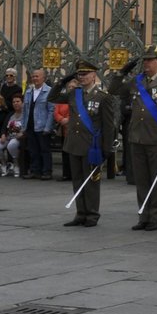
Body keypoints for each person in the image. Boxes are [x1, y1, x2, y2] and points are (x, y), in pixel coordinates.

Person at [108, 46, 157, 232]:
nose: (146, 64)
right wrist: (122, 72)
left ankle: (155, 217)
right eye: (144, 61)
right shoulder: (136, 82)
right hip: (137, 137)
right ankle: (143, 214)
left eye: (150, 60)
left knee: (156, 180)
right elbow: (113, 90)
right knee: (141, 180)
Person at [49, 60, 119, 227]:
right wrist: (63, 81)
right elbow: (52, 97)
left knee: (91, 182)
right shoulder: (75, 94)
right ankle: (80, 213)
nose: (82, 77)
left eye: (85, 74)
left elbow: (109, 125)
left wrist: (107, 148)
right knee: (78, 180)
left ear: (94, 75)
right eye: (79, 74)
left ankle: (92, 214)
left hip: (92, 146)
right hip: (74, 143)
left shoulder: (103, 97)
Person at [21, 68, 56, 180]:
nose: (34, 78)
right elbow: (25, 110)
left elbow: (51, 110)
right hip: (30, 124)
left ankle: (47, 171)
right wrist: (23, 126)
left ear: (43, 78)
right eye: (33, 76)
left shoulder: (49, 91)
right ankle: (35, 170)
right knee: (33, 149)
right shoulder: (28, 91)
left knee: (44, 149)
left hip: (42, 125)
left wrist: (48, 127)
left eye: (37, 76)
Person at [0, 94, 25, 177]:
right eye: (14, 102)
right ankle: (4, 164)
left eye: (18, 101)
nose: (15, 103)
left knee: (12, 145)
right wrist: (3, 134)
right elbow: (4, 127)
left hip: (18, 137)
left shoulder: (25, 115)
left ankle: (16, 164)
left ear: (23, 103)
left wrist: (22, 133)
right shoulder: (10, 114)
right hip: (8, 136)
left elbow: (28, 126)